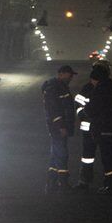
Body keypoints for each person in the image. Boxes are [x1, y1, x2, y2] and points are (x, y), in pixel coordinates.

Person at [84, 62, 112, 193]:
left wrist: (87, 111)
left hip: (103, 128)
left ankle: (111, 184)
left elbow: (91, 109)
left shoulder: (99, 90)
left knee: (107, 157)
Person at [42, 64, 75, 193]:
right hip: (58, 127)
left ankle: (51, 183)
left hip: (60, 126)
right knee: (61, 153)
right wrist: (61, 125)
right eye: (69, 74)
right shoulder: (54, 88)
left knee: (55, 153)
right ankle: (63, 183)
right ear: (61, 74)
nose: (71, 77)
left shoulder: (60, 87)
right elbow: (53, 109)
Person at [73, 79, 96, 190]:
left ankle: (84, 181)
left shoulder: (105, 87)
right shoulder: (87, 88)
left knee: (90, 156)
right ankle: (84, 180)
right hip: (90, 128)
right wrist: (83, 115)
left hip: (99, 127)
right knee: (87, 156)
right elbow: (78, 102)